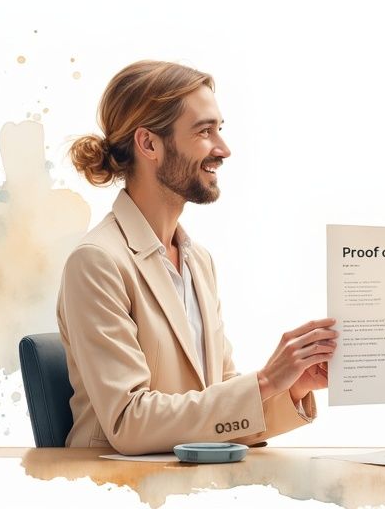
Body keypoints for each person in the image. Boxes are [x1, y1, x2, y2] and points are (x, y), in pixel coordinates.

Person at [58, 60, 337, 455]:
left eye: (219, 130)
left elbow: (219, 408)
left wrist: (292, 386)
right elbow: (127, 422)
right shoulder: (97, 262)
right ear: (149, 144)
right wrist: (263, 383)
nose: (223, 149)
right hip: (115, 486)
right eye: (204, 131)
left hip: (182, 482)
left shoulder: (197, 261)